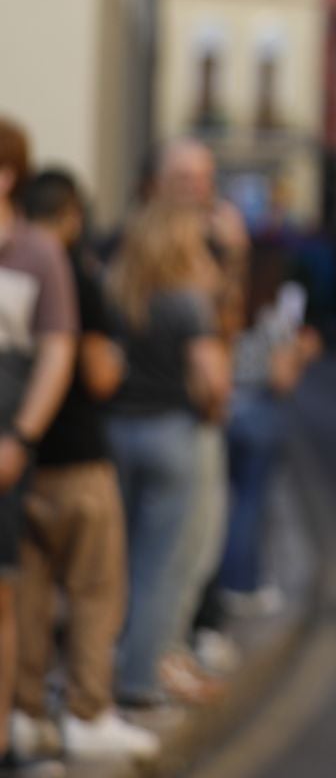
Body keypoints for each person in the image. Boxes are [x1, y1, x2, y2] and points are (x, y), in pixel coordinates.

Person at [12, 172, 159, 761]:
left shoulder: (15, 268)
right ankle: (88, 713)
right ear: (71, 214)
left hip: (21, 462)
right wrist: (117, 363)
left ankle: (22, 712)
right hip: (79, 460)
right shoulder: (73, 271)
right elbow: (97, 372)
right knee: (96, 591)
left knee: (26, 594)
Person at [103, 204, 229, 708]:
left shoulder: (117, 295)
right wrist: (214, 410)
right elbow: (211, 377)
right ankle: (141, 678)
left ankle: (113, 662)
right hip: (174, 433)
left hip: (118, 432)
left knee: (125, 560)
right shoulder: (187, 302)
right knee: (166, 564)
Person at [0, 121, 77, 771]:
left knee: (3, 594)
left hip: (4, 448)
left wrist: (20, 436)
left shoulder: (36, 252)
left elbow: (57, 352)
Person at [214, 244, 321, 617]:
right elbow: (281, 379)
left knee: (227, 504)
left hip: (226, 409)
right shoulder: (274, 319)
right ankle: (240, 583)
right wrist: (303, 353)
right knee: (251, 504)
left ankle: (223, 581)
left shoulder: (228, 305)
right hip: (259, 413)